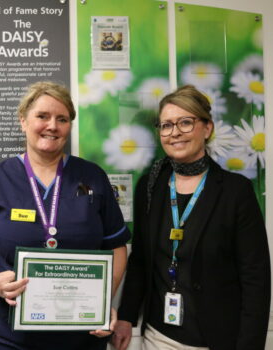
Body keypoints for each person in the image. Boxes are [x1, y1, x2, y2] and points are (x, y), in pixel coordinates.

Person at [0, 81, 131, 350]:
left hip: (81, 335)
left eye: (62, 119)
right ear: (23, 121)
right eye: (42, 116)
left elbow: (116, 246)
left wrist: (104, 299)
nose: (52, 125)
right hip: (9, 336)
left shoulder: (92, 176)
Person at [113, 85, 270, 350]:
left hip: (216, 339)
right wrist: (127, 316)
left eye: (185, 123)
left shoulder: (235, 191)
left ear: (207, 128)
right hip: (158, 337)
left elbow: (256, 278)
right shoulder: (150, 187)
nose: (174, 133)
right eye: (166, 125)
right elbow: (141, 259)